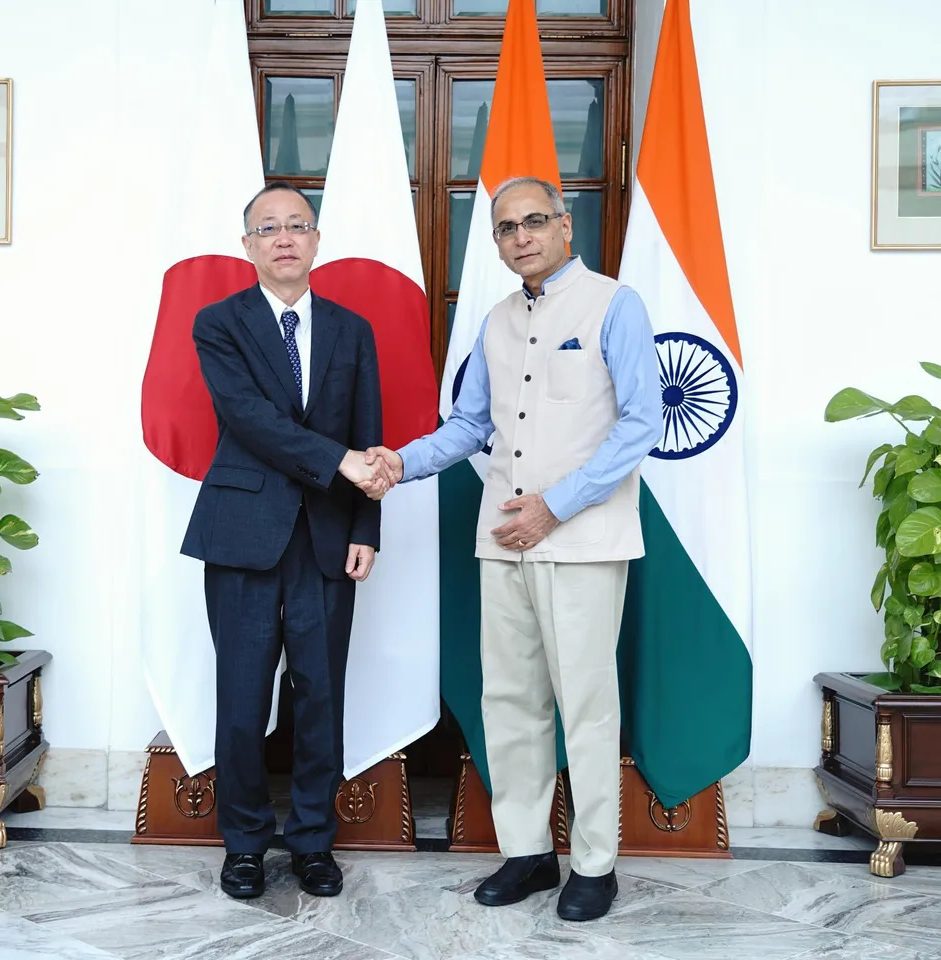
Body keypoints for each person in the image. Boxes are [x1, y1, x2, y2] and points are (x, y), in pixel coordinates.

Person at [364, 176, 662, 922]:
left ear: (566, 225)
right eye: (505, 228)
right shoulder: (493, 320)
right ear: (495, 242)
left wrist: (553, 506)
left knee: (587, 706)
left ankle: (594, 864)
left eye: (534, 221)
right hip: (501, 541)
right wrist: (399, 463)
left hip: (582, 540)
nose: (520, 236)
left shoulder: (614, 305)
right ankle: (526, 853)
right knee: (510, 703)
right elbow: (468, 427)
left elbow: (640, 424)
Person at [181, 181, 396, 902]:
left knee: (319, 696)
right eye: (267, 227)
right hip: (243, 534)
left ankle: (310, 841)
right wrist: (334, 460)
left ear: (315, 241)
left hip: (330, 537)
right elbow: (246, 418)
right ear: (247, 246)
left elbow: (368, 430)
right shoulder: (219, 323)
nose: (283, 237)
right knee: (242, 701)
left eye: (296, 226)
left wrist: (366, 526)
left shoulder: (351, 329)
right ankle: (243, 845)